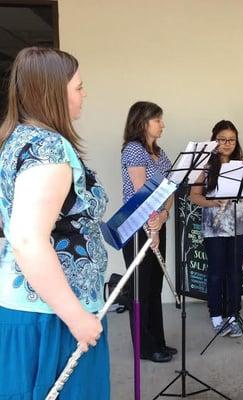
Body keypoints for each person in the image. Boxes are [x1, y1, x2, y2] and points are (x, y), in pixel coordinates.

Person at [0, 47, 109, 398]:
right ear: (53, 93)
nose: (84, 94)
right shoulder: (47, 149)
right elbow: (28, 239)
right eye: (78, 87)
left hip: (40, 306)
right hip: (53, 316)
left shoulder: (17, 139)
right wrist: (76, 317)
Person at [121, 101, 176, 363]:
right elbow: (143, 194)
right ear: (143, 122)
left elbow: (169, 188)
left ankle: (158, 342)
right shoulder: (133, 150)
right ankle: (145, 347)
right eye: (158, 120)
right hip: (137, 226)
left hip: (156, 223)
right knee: (141, 288)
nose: (162, 124)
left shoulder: (159, 152)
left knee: (154, 287)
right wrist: (152, 227)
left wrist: (163, 216)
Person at [190, 120, 243, 338]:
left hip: (239, 223)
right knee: (216, 272)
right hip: (214, 225)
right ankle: (216, 314)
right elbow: (194, 196)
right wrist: (213, 202)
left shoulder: (242, 163)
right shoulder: (204, 165)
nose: (227, 144)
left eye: (231, 140)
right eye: (222, 139)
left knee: (235, 271)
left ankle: (234, 315)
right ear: (214, 140)